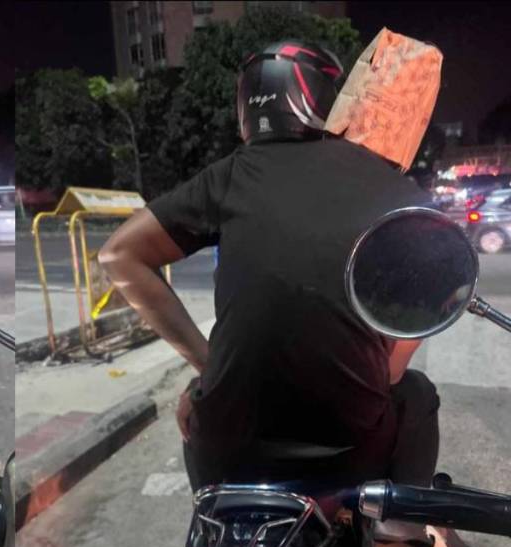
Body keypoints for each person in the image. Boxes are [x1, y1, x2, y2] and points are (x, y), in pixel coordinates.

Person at [99, 41, 441, 493]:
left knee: (198, 406)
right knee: (416, 392)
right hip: (353, 450)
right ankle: (403, 535)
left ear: (245, 106)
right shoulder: (389, 186)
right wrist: (386, 371)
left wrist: (209, 366)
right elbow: (434, 285)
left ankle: (208, 519)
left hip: (226, 452)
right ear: (327, 100)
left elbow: (118, 254)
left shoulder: (231, 175)